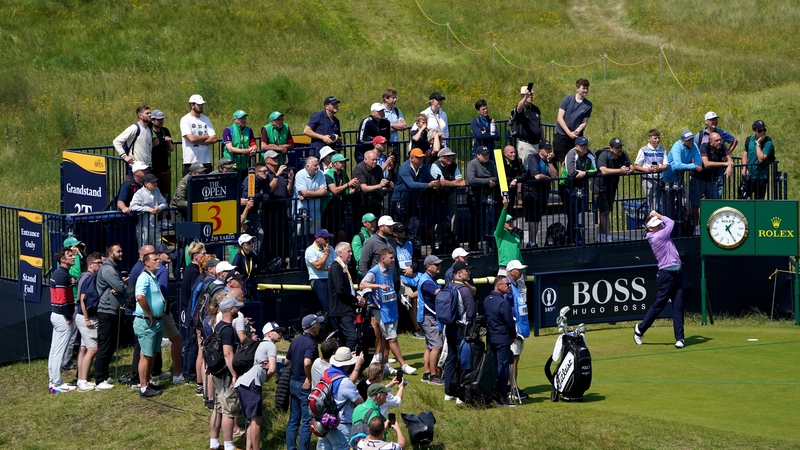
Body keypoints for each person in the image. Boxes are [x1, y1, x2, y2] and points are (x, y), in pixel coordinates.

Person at [360, 248, 416, 376]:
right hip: (382, 310)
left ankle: (385, 364)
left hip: (392, 308)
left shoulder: (389, 270)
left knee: (386, 338)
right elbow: (363, 285)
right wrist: (378, 286)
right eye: (390, 258)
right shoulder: (374, 272)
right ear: (382, 259)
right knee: (392, 338)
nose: (393, 260)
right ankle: (404, 365)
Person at [634, 211, 686, 348]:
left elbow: (664, 224)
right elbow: (671, 222)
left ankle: (680, 338)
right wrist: (658, 214)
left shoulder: (658, 232)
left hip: (677, 274)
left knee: (678, 306)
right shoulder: (658, 236)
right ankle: (639, 329)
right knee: (659, 306)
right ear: (650, 228)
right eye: (656, 225)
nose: (660, 225)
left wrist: (656, 218)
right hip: (666, 276)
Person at [235, 321, 282, 450]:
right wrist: (267, 378)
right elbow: (272, 369)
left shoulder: (260, 344)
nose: (280, 334)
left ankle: (249, 447)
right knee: (257, 420)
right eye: (277, 331)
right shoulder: (270, 345)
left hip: (243, 383)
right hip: (252, 384)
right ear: (268, 333)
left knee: (252, 420)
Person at [209, 297, 244, 450]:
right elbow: (228, 354)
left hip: (217, 373)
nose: (238, 309)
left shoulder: (218, 326)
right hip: (226, 375)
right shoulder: (228, 330)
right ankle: (229, 445)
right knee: (229, 410)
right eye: (236, 307)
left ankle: (214, 443)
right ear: (230, 309)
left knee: (218, 409)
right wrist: (235, 375)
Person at [285, 314, 323, 450]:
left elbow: (287, 361)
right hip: (304, 385)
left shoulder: (295, 340)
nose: (320, 326)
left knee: (294, 419)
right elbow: (307, 362)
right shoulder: (312, 343)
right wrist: (309, 377)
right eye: (318, 324)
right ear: (313, 327)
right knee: (307, 421)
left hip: (293, 382)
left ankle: (290, 447)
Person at [316, 347, 365, 450]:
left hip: (324, 422)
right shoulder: (345, 382)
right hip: (340, 425)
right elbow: (360, 402)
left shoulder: (326, 373)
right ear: (347, 364)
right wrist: (358, 365)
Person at [94, 243, 126, 391]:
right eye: (118, 251)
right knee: (105, 345)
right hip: (106, 312)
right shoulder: (107, 269)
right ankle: (99, 379)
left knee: (111, 345)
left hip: (113, 311)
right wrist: (122, 286)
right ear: (110, 254)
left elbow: (119, 287)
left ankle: (105, 375)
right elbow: (120, 288)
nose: (121, 253)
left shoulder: (113, 268)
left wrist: (121, 285)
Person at [133, 252, 166, 398]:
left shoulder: (152, 277)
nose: (158, 261)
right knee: (146, 355)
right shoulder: (144, 277)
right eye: (155, 259)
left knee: (153, 353)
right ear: (146, 263)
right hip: (147, 321)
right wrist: (150, 313)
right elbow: (140, 296)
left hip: (156, 321)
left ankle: (148, 380)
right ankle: (143, 387)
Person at [443, 261, 476, 402]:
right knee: (464, 360)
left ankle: (448, 391)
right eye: (466, 270)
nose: (469, 272)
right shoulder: (464, 290)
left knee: (450, 359)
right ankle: (461, 393)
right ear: (458, 273)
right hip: (462, 329)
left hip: (448, 327)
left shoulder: (447, 286)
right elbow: (471, 311)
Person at [558, 136, 598, 245]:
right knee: (571, 212)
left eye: (586, 145)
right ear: (577, 146)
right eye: (582, 146)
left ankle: (571, 235)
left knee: (579, 209)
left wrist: (585, 173)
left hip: (581, 186)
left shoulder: (590, 154)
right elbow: (572, 172)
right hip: (566, 186)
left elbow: (596, 170)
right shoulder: (571, 154)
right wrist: (584, 173)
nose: (585, 147)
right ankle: (573, 236)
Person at [484, 276, 516, 407]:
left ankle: (491, 395)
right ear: (498, 286)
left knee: (492, 368)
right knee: (502, 368)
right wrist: (513, 335)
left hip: (491, 338)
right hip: (502, 339)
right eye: (507, 284)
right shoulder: (503, 303)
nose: (509, 286)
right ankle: (502, 398)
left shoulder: (487, 300)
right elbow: (509, 322)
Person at [48, 247, 77, 394]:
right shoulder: (61, 276)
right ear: (62, 260)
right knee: (58, 351)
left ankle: (53, 381)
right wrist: (68, 317)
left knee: (55, 350)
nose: (73, 257)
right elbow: (61, 300)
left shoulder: (62, 274)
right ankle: (56, 383)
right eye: (70, 255)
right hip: (62, 316)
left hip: (58, 315)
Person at [593, 138, 632, 243]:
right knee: (604, 211)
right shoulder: (604, 155)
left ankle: (601, 236)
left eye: (620, 147)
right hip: (599, 187)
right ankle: (608, 236)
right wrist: (620, 170)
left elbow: (630, 166)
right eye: (617, 147)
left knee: (605, 212)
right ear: (611, 148)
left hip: (612, 186)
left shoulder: (623, 154)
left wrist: (629, 170)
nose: (619, 149)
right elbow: (603, 170)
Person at [691, 132, 732, 229]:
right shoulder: (704, 147)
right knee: (695, 205)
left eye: (720, 140)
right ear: (710, 142)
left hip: (711, 179)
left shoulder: (722, 146)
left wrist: (729, 166)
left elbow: (729, 160)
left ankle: (713, 227)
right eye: (716, 140)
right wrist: (724, 164)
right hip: (698, 178)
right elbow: (706, 163)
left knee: (715, 203)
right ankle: (694, 228)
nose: (719, 142)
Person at [75, 252, 103, 392]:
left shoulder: (88, 277)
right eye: (98, 262)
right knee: (93, 349)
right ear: (90, 264)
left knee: (84, 348)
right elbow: (83, 299)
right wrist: (86, 318)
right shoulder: (88, 278)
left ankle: (81, 378)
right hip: (86, 317)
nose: (100, 265)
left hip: (84, 316)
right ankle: (82, 381)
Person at [329, 242, 364, 351]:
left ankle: (336, 358)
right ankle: (343, 359)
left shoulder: (343, 267)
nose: (351, 254)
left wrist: (357, 295)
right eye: (348, 251)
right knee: (353, 337)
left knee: (343, 338)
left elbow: (348, 287)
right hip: (342, 309)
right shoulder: (336, 267)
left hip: (346, 307)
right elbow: (340, 290)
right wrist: (355, 300)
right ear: (340, 253)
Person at [390, 148, 438, 228]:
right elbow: (411, 184)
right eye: (418, 157)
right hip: (400, 201)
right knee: (401, 227)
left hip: (413, 201)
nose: (421, 159)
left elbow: (430, 179)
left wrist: (437, 183)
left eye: (422, 157)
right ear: (411, 158)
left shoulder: (424, 168)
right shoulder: (404, 168)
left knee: (415, 225)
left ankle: (410, 240)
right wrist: (429, 185)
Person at [415, 255, 444, 386]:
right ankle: (433, 375)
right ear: (428, 266)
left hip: (426, 316)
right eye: (436, 265)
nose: (439, 267)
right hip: (429, 317)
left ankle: (426, 373)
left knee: (429, 346)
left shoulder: (427, 278)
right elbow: (438, 293)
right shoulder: (427, 281)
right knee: (437, 346)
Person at [663, 130, 703, 224]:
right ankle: (670, 229)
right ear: (682, 140)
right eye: (688, 140)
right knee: (669, 207)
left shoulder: (694, 146)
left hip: (679, 179)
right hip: (668, 180)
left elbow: (699, 162)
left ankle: (683, 227)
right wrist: (693, 166)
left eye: (692, 139)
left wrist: (692, 165)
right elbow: (678, 165)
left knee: (687, 203)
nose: (691, 142)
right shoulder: (677, 146)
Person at [180, 241, 206, 383]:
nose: (205, 255)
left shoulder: (189, 269)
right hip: (191, 311)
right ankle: (189, 373)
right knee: (192, 343)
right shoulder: (194, 271)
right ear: (196, 256)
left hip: (188, 309)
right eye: (203, 253)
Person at [523, 139, 557, 247]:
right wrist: (548, 178)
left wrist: (550, 162)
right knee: (533, 217)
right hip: (531, 190)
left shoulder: (550, 159)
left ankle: (533, 241)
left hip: (543, 190)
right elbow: (537, 176)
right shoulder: (534, 158)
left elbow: (554, 175)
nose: (549, 151)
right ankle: (532, 242)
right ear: (540, 150)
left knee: (538, 217)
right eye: (547, 149)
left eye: (550, 149)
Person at [504, 259, 530, 400]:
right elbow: (506, 308)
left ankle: (511, 386)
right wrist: (511, 329)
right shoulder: (508, 286)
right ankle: (511, 387)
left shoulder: (514, 285)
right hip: (513, 327)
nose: (520, 272)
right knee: (513, 358)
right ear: (510, 271)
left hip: (517, 326)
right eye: (518, 269)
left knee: (515, 357)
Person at [393, 223, 423, 339]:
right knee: (411, 298)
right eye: (400, 231)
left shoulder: (409, 244)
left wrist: (412, 268)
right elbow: (392, 263)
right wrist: (403, 272)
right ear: (394, 233)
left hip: (413, 274)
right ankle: (417, 329)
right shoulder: (391, 245)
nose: (403, 233)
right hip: (400, 277)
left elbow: (415, 260)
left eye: (404, 231)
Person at [465, 145, 499, 247]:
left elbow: (496, 177)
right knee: (476, 220)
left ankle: (491, 244)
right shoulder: (472, 164)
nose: (487, 156)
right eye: (484, 155)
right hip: (475, 196)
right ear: (478, 155)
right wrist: (487, 181)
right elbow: (471, 180)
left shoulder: (491, 163)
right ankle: (474, 245)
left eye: (488, 154)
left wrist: (488, 181)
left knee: (490, 220)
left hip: (488, 195)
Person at [553, 78, 592, 164]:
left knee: (575, 160)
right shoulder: (567, 99)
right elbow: (560, 117)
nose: (585, 90)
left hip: (576, 135)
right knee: (564, 162)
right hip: (562, 134)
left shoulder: (588, 105)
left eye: (587, 88)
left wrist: (578, 130)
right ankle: (564, 177)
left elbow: (584, 122)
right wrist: (569, 133)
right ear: (577, 88)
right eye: (583, 88)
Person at [323, 153, 360, 242]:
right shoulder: (328, 175)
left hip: (340, 207)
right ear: (334, 163)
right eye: (341, 162)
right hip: (329, 208)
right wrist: (348, 184)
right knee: (330, 233)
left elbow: (348, 192)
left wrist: (357, 188)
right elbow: (334, 190)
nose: (343, 164)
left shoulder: (343, 174)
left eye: (344, 162)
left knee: (341, 233)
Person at [294, 156, 328, 243]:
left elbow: (324, 191)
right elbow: (304, 192)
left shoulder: (320, 173)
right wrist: (318, 193)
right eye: (315, 165)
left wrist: (309, 194)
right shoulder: (300, 175)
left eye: (318, 165)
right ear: (308, 166)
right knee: (300, 238)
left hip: (316, 212)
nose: (317, 167)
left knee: (315, 238)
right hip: (302, 213)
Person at [180, 94, 216, 175]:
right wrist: (206, 136)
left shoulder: (206, 119)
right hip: (191, 161)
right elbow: (191, 139)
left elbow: (214, 138)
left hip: (205, 160)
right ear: (192, 105)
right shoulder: (185, 119)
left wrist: (198, 140)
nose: (201, 106)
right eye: (199, 104)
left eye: (202, 104)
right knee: (191, 186)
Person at [633, 129, 668, 211]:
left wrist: (659, 168)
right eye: (655, 138)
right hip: (648, 179)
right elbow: (636, 166)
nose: (657, 140)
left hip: (661, 178)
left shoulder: (663, 149)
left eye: (658, 138)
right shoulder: (643, 150)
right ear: (649, 139)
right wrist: (647, 169)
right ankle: (652, 222)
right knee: (653, 205)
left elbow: (665, 165)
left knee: (665, 204)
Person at [352, 150, 392, 221]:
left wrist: (388, 186)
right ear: (365, 160)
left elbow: (381, 186)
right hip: (362, 204)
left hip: (375, 202)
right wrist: (379, 186)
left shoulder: (378, 169)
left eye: (376, 159)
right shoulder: (359, 168)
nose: (375, 162)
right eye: (373, 160)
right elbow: (364, 188)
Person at [129, 173, 167, 248]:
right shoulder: (139, 193)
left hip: (155, 226)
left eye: (156, 182)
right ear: (146, 184)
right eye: (153, 182)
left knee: (159, 248)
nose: (155, 184)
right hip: (143, 227)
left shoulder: (157, 190)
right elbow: (132, 206)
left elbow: (164, 203)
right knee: (144, 249)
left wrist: (159, 207)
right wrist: (147, 209)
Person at [510, 85, 545, 165]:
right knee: (524, 168)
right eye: (529, 95)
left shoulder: (536, 109)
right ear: (522, 96)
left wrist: (543, 141)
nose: (530, 97)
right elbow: (519, 108)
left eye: (531, 95)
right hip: (526, 145)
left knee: (536, 169)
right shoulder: (522, 109)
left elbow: (540, 126)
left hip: (536, 144)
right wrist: (525, 97)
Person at [740, 120, 775, 200]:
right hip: (748, 176)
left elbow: (761, 158)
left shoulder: (768, 142)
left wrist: (758, 144)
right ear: (754, 131)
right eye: (760, 130)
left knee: (759, 200)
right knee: (741, 198)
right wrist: (744, 168)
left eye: (764, 130)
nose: (762, 132)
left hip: (761, 177)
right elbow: (745, 155)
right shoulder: (749, 140)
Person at [113, 104, 153, 169]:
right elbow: (116, 141)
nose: (150, 115)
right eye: (147, 113)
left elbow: (149, 149)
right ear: (140, 116)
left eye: (150, 113)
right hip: (135, 167)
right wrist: (124, 156)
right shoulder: (135, 128)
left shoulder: (149, 130)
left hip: (147, 167)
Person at [306, 228, 336, 314]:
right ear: (318, 238)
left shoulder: (331, 248)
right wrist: (326, 254)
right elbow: (318, 266)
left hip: (330, 278)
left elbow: (335, 264)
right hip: (318, 279)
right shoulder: (310, 250)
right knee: (326, 304)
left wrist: (327, 267)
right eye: (325, 238)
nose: (328, 240)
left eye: (329, 238)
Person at [222, 110, 258, 181]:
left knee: (244, 187)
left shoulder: (249, 130)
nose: (244, 120)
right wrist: (245, 151)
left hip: (245, 165)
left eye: (245, 118)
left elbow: (253, 143)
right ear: (235, 120)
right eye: (241, 118)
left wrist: (254, 148)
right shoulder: (228, 130)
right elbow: (230, 148)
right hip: (231, 165)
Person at [149, 109, 174, 201]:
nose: (161, 122)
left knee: (165, 193)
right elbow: (143, 148)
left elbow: (172, 149)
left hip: (165, 169)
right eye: (159, 120)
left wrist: (169, 142)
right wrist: (153, 145)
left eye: (162, 119)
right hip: (153, 169)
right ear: (152, 120)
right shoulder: (149, 132)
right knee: (152, 192)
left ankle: (163, 213)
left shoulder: (165, 130)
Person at [232, 233, 264, 300]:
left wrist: (254, 271)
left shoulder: (252, 255)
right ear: (242, 245)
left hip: (252, 283)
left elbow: (261, 264)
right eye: (249, 242)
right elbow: (233, 269)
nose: (251, 244)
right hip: (243, 284)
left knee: (256, 302)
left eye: (252, 241)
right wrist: (239, 278)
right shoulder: (239, 256)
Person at [500, 145, 526, 210]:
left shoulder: (518, 161)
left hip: (512, 190)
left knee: (510, 209)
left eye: (514, 152)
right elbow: (499, 176)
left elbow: (524, 174)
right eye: (511, 152)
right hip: (500, 189)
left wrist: (515, 179)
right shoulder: (500, 161)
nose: (513, 154)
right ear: (505, 154)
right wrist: (511, 179)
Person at [382, 89, 408, 153]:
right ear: (386, 99)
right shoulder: (380, 111)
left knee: (396, 162)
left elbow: (404, 126)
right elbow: (383, 128)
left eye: (395, 98)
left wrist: (391, 125)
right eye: (393, 98)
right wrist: (397, 127)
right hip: (384, 145)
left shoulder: (397, 111)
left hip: (395, 143)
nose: (395, 100)